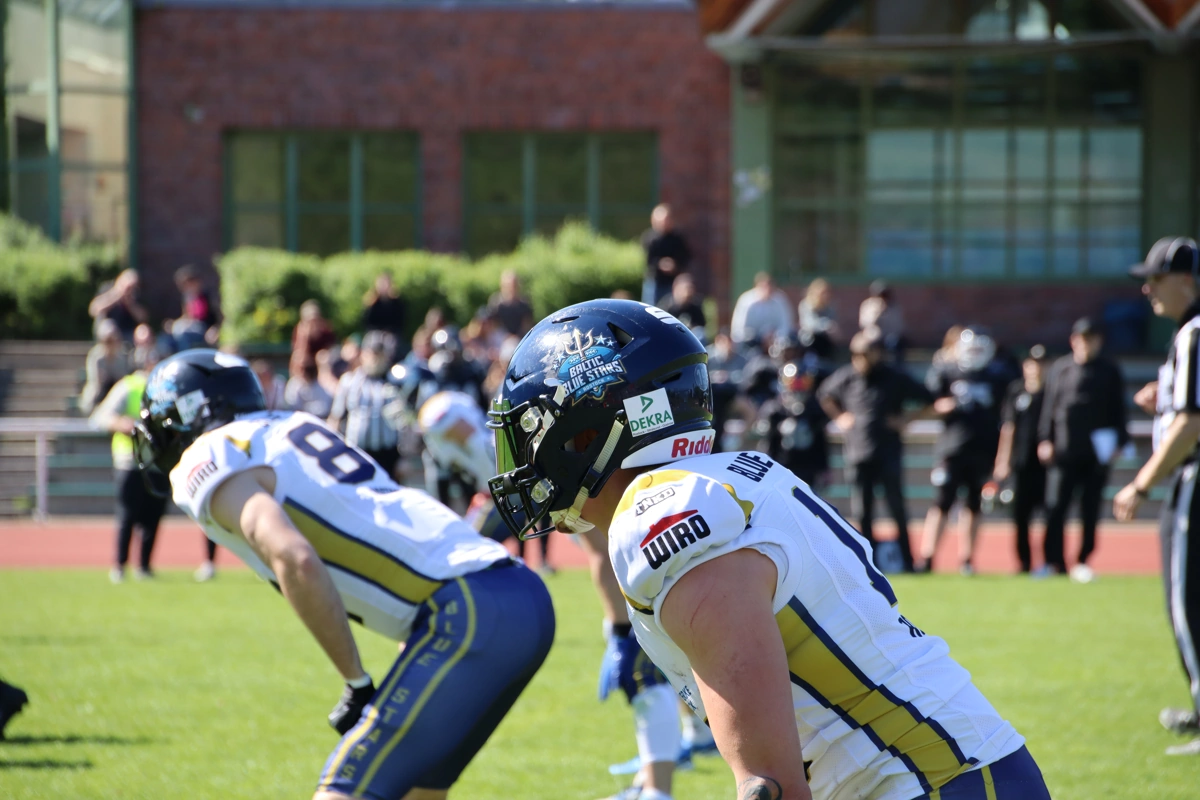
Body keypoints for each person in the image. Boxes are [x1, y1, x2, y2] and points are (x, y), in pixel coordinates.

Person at [488, 297, 1050, 800]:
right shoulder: (721, 479)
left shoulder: (663, 513)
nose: (524, 457)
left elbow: (768, 786)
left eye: (533, 430)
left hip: (933, 782)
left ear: (587, 432)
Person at [134, 349, 555, 800]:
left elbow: (293, 557)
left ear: (191, 413)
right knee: (418, 792)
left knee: (344, 790)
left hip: (469, 606)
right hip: (516, 595)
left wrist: (356, 682)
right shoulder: (292, 424)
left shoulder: (209, 453)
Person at [1113, 236, 1200, 756]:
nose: (1148, 289)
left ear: (1187, 280)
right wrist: (1163, 400)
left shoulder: (1194, 332)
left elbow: (1192, 422)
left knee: (1186, 601)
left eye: (1156, 279)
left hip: (1193, 479)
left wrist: (1140, 483)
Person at [818, 331, 934, 573]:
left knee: (896, 508)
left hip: (888, 452)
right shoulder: (847, 377)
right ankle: (867, 563)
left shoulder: (894, 377)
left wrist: (906, 419)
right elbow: (824, 395)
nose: (861, 359)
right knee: (863, 512)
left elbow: (929, 399)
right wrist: (840, 417)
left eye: (867, 353)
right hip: (858, 453)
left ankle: (907, 561)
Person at [916, 327, 1016, 576]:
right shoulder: (947, 371)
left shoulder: (998, 376)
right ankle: (927, 557)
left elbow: (1007, 416)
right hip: (952, 448)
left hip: (983, 448)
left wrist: (1001, 458)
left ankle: (967, 559)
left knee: (974, 505)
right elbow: (928, 404)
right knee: (941, 502)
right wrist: (947, 405)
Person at [1038, 317, 1128, 583]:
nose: (1086, 344)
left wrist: (1120, 441)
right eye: (1082, 338)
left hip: (1096, 453)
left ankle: (1083, 560)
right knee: (1055, 507)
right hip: (1064, 450)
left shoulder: (1109, 370)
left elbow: (1118, 409)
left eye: (1091, 338)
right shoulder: (1061, 368)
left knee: (1090, 508)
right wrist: (1045, 439)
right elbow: (1049, 407)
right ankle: (1054, 561)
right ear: (1073, 340)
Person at [90, 348, 167, 583]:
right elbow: (100, 417)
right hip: (130, 462)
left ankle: (144, 567)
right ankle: (120, 566)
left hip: (158, 463)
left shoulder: (168, 389)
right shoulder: (129, 386)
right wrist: (123, 423)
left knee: (153, 516)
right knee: (127, 515)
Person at [993, 345, 1049, 574]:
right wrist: (1003, 460)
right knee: (1020, 515)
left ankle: (1050, 561)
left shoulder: (1052, 391)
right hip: (1021, 462)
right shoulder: (1016, 391)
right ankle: (1024, 562)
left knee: (1050, 514)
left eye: (1041, 364)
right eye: (1032, 364)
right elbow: (1008, 427)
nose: (1036, 369)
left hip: (1046, 465)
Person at [328, 331, 402, 480]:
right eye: (372, 353)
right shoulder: (349, 382)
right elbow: (336, 417)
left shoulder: (395, 382)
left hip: (387, 454)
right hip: (357, 452)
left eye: (380, 354)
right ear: (363, 354)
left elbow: (403, 423)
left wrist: (403, 458)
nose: (375, 359)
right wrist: (333, 451)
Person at [640, 204, 692, 307]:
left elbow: (685, 257)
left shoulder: (677, 239)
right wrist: (661, 264)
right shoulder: (650, 238)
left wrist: (674, 265)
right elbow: (648, 261)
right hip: (655, 281)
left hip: (672, 282)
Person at [80, 320, 132, 415]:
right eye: (108, 341)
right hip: (99, 391)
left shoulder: (122, 356)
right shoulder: (96, 357)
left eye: (113, 340)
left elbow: (123, 379)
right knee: (93, 392)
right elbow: (95, 380)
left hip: (116, 390)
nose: (111, 344)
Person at [730, 272, 794, 346]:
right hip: (751, 343)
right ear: (757, 286)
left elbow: (786, 324)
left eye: (770, 286)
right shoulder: (746, 301)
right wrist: (760, 338)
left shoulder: (780, 299)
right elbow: (738, 329)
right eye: (764, 287)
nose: (767, 290)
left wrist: (776, 336)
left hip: (776, 343)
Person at [88, 269, 148, 341]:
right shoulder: (107, 288)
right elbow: (94, 311)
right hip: (108, 329)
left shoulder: (135, 295)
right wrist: (115, 297)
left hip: (127, 332)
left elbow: (143, 318)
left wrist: (130, 303)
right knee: (108, 328)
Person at [171, 266, 220, 350]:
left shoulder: (207, 297)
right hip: (190, 327)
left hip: (204, 328)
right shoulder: (187, 298)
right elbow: (186, 316)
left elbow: (215, 317)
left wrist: (215, 329)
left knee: (184, 335)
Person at [859, 280, 907, 363]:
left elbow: (898, 326)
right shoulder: (868, 305)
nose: (882, 298)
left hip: (889, 336)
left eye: (884, 295)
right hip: (873, 335)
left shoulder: (894, 307)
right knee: (869, 344)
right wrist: (877, 312)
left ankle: (896, 366)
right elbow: (864, 323)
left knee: (897, 344)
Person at [796, 279, 841, 362]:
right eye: (822, 293)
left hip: (825, 338)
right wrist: (826, 325)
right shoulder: (805, 305)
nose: (825, 296)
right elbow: (810, 324)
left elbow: (834, 324)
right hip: (809, 339)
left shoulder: (830, 307)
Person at [362, 273, 407, 349]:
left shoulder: (396, 303)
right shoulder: (372, 303)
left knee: (390, 343)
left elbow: (399, 322)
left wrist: (389, 330)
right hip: (375, 332)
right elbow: (367, 322)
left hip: (391, 333)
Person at [292, 300, 337, 375]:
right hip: (308, 366)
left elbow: (330, 351)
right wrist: (305, 337)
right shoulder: (300, 332)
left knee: (321, 357)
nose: (313, 324)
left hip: (323, 365)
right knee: (297, 357)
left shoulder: (326, 331)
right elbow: (301, 353)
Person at [488, 269, 535, 338]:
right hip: (500, 338)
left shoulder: (524, 304)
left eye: (514, 285)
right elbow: (493, 326)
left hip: (520, 337)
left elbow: (527, 325)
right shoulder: (496, 303)